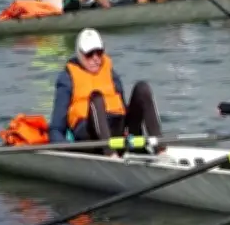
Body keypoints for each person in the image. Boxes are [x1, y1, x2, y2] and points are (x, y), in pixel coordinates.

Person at [48, 28, 165, 156]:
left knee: (142, 89)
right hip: (91, 137)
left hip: (118, 131)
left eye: (99, 53)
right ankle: (110, 155)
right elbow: (56, 128)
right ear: (79, 53)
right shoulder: (67, 79)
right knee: (97, 97)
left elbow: (123, 108)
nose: (96, 58)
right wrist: (66, 152)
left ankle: (160, 149)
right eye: (89, 54)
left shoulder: (110, 72)